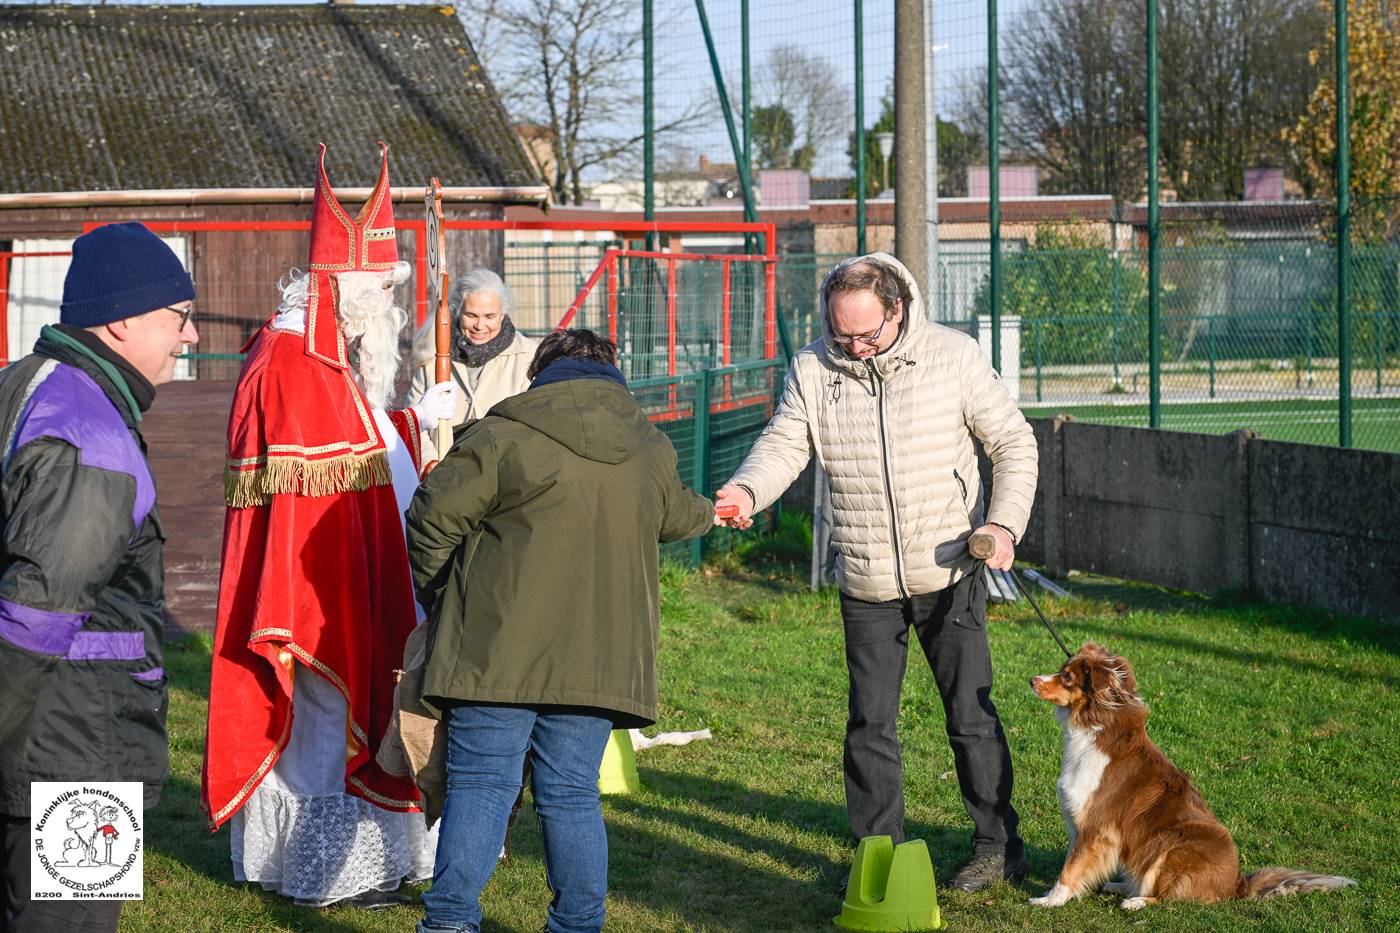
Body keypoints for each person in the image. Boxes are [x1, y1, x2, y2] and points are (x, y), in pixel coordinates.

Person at [714, 253, 1039, 893]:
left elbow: (1013, 442)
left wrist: (1001, 527)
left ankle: (997, 846)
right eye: (842, 334)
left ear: (897, 310)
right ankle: (877, 857)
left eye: (867, 334)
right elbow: (785, 443)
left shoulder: (954, 355)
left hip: (950, 568)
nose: (854, 346)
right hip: (864, 577)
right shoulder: (812, 367)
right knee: (870, 725)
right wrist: (747, 492)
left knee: (970, 718)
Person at [201, 144, 459, 909]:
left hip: (349, 577)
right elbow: (325, 486)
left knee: (342, 718)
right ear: (344, 289)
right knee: (324, 724)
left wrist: (414, 422)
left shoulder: (318, 353)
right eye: (381, 291)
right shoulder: (291, 362)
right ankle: (322, 871)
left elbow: (361, 448)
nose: (388, 309)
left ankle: (364, 859)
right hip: (315, 597)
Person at [407, 329, 713, 933]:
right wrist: (720, 508)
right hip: (600, 658)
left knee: (481, 788)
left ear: (540, 374)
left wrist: (440, 595)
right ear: (613, 374)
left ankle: (447, 923)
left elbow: (430, 517)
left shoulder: (503, 434)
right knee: (571, 796)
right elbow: (680, 514)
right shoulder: (651, 447)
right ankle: (577, 925)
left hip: (494, 651)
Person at [0, 221, 198, 932]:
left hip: (47, 737)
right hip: (79, 749)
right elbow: (40, 610)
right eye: (179, 316)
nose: (191, 334)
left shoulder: (27, 382)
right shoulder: (91, 433)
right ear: (121, 320)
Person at [410, 268, 537, 431]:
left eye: (489, 316)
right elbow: (415, 423)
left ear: (502, 314)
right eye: (471, 315)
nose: (479, 325)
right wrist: (430, 457)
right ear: (458, 311)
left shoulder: (527, 356)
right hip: (442, 456)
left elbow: (533, 423)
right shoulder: (433, 353)